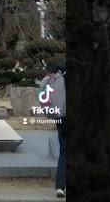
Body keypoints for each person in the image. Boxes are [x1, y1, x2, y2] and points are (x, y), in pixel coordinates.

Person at [40, 63, 66, 198]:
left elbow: (42, 89)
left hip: (58, 117)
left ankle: (60, 186)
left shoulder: (53, 79)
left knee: (63, 151)